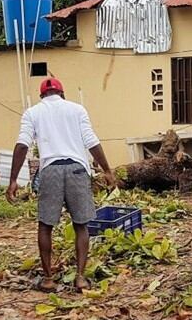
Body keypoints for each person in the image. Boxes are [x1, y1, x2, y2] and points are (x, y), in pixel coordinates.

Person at [7, 77, 116, 292]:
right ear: (62, 93)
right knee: (81, 225)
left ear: (42, 96)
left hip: (51, 171)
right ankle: (81, 278)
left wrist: (12, 180)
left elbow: (22, 145)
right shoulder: (77, 110)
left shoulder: (32, 113)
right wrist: (107, 170)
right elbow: (91, 141)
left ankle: (48, 279)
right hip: (77, 169)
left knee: (45, 225)